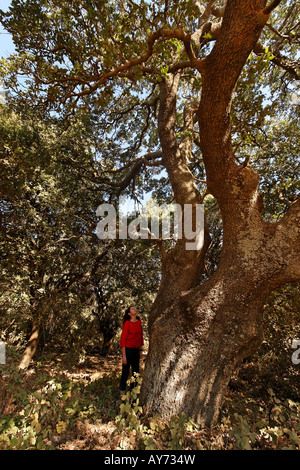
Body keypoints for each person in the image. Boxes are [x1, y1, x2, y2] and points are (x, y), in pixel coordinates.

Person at [119, 306, 144, 396]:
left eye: (135, 308)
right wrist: (124, 355)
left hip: (136, 350)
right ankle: (122, 393)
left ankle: (133, 392)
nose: (135, 309)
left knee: (136, 372)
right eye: (132, 309)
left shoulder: (139, 321)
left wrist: (140, 350)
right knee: (125, 372)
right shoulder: (127, 323)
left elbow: (140, 336)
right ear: (129, 313)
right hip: (128, 350)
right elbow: (123, 340)